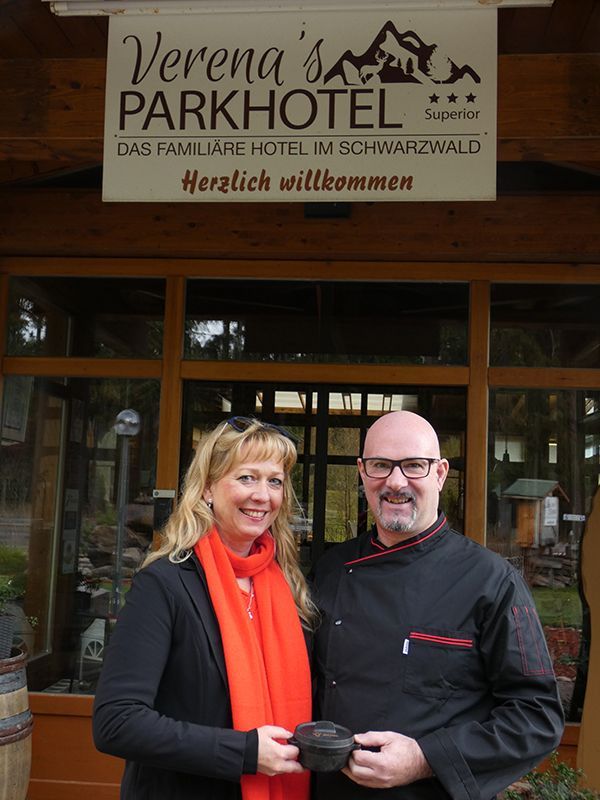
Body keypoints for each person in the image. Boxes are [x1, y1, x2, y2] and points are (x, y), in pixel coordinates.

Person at [312, 410, 564, 800]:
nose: (396, 482)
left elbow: (536, 717)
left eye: (414, 466)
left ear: (440, 473)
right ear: (362, 472)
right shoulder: (330, 569)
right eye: (380, 465)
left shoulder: (492, 581)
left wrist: (423, 757)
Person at [93, 416, 317, 800]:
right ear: (209, 488)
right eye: (246, 478)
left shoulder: (289, 587)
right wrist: (245, 752)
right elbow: (117, 722)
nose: (263, 495)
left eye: (274, 481)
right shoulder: (164, 584)